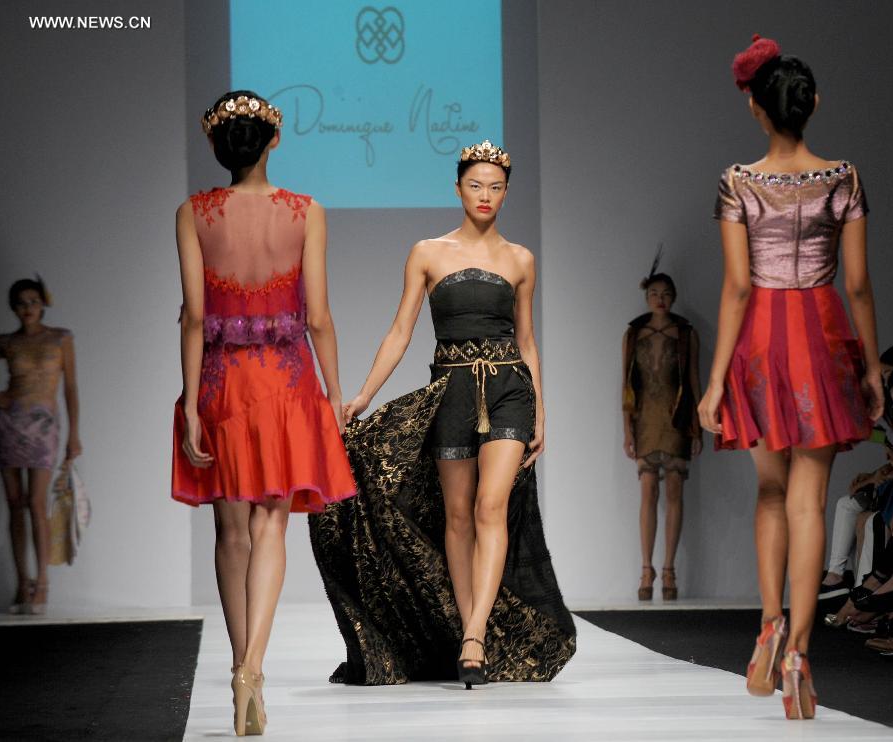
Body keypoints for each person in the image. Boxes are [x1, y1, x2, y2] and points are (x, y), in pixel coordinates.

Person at [310, 140, 575, 688]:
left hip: (509, 388)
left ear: (507, 192)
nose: (485, 195)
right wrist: (363, 395)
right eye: (475, 185)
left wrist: (542, 410)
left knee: (490, 505)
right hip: (451, 391)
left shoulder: (521, 259)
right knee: (457, 515)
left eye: (495, 187)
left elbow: (527, 340)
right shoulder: (427, 253)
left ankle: (474, 636)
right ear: (457, 189)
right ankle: (466, 630)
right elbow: (400, 331)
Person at [699, 36, 883, 720]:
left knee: (771, 492)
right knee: (810, 501)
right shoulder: (844, 178)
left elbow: (737, 287)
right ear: (813, 104)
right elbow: (858, 285)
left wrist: (715, 381)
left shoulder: (738, 181)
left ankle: (770, 624)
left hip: (762, 343)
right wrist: (871, 365)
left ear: (756, 109)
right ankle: (801, 655)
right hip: (823, 338)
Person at [171, 91, 356, 736]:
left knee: (230, 533)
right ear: (274, 140)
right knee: (272, 525)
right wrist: (335, 396)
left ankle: (238, 663)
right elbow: (319, 317)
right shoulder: (306, 212)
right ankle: (252, 667)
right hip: (287, 380)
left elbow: (195, 317)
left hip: (221, 382)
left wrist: (190, 404)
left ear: (216, 144)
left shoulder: (194, 213)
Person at [0, 276, 81, 615]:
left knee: (36, 502)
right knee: (15, 504)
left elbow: (70, 388)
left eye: (33, 301)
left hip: (45, 426)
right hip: (9, 424)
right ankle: (23, 583)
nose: (28, 308)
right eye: (21, 303)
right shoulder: (7, 342)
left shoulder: (60, 339)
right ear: (14, 308)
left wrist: (74, 434)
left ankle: (42, 583)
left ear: (43, 303)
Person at [623, 253, 702, 601]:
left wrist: (697, 425)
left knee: (674, 491)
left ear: (674, 297)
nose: (660, 299)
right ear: (646, 297)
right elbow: (626, 385)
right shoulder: (633, 333)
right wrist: (627, 429)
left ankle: (669, 569)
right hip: (644, 418)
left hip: (676, 417)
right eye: (654, 293)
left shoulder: (685, 333)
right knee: (647, 491)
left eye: (666, 294)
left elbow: (694, 379)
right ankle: (646, 568)